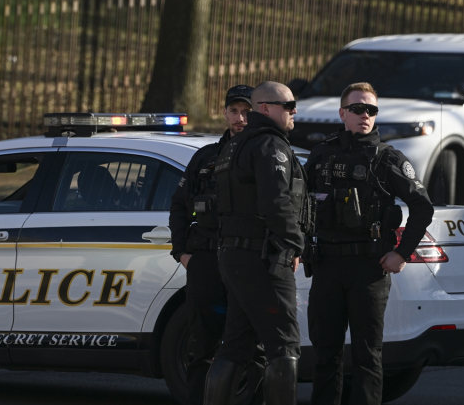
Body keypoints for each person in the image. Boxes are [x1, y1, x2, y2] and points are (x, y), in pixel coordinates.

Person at [303, 82, 434, 405]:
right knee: (325, 355)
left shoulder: (387, 158)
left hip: (369, 268)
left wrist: (402, 253)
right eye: (358, 109)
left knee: (367, 356)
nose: (365, 115)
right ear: (342, 113)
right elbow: (298, 204)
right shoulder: (321, 156)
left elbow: (422, 207)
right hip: (328, 266)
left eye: (371, 110)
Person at [204, 81, 309, 405]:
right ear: (265, 108)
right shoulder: (269, 145)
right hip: (261, 258)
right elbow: (275, 203)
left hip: (236, 256)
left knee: (235, 345)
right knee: (284, 346)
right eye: (288, 105)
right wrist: (295, 244)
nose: (294, 111)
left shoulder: (235, 146)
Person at [169, 84, 253, 405]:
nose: (240, 118)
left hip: (245, 260)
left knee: (248, 345)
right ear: (225, 113)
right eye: (234, 111)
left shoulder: (262, 154)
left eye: (246, 112)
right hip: (205, 260)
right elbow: (179, 205)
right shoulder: (204, 157)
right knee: (202, 344)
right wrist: (182, 252)